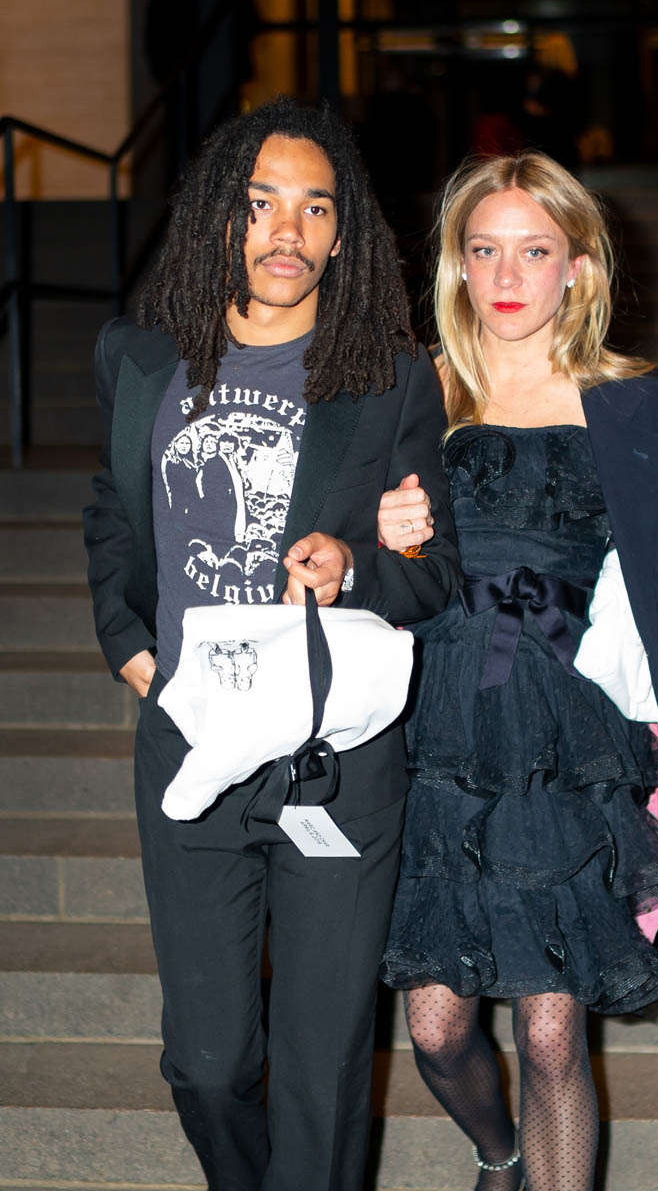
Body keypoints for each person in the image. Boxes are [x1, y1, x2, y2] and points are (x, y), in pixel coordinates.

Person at [377, 152, 658, 1191]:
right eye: (483, 250)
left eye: (534, 251)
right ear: (457, 266)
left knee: (552, 1036)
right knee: (435, 1030)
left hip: (565, 739)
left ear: (579, 267)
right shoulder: (411, 394)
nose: (507, 276)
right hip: (430, 736)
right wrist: (381, 536)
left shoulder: (645, 411)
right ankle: (498, 1153)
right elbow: (343, 564)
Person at [82, 96, 460, 1191]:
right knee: (207, 1066)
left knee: (322, 1071)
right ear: (219, 217)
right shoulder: (140, 358)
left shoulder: (388, 378)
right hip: (193, 745)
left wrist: (356, 568)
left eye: (314, 208)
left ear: (342, 236)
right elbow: (112, 512)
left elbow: (431, 570)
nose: (286, 231)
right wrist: (126, 639)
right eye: (260, 205)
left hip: (331, 761)